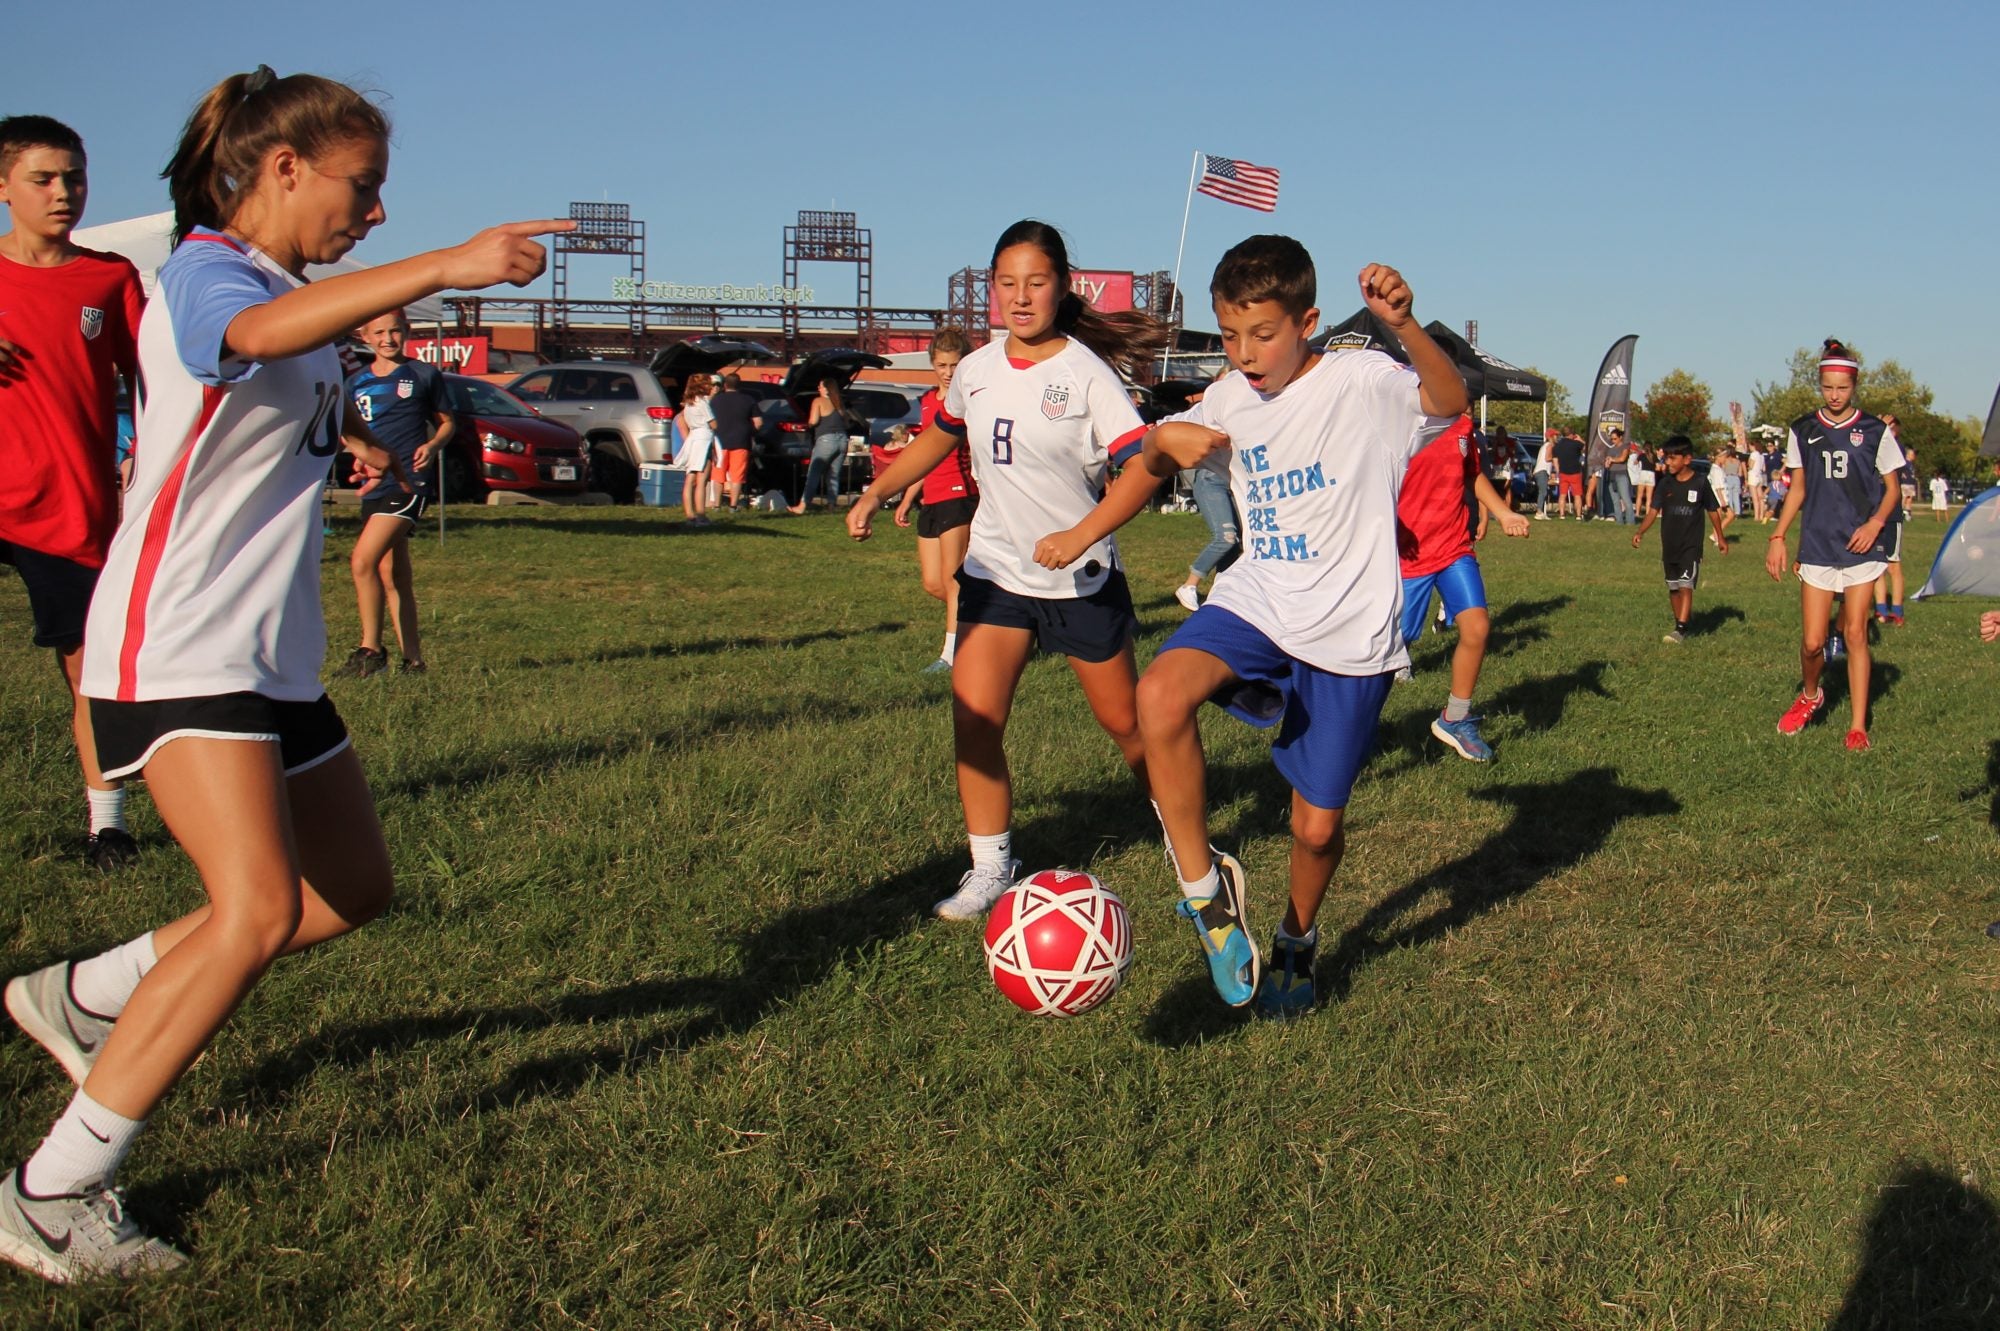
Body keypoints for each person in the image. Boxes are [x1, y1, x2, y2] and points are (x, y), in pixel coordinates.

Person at [0, 67, 562, 1284]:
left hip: (269, 658)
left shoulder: (286, 290)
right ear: (283, 168)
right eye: (362, 188)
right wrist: (443, 264)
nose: (372, 212)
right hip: (175, 644)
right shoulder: (213, 268)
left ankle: (86, 990)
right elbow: (234, 341)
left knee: (350, 886)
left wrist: (349, 443)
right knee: (253, 908)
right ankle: (52, 1189)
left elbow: (258, 392)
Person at [1135, 236, 1468, 1018]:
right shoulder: (1226, 397)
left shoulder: (1362, 380)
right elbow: (1152, 453)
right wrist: (1150, 448)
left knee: (1314, 830)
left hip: (1350, 631)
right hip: (1259, 600)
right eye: (1229, 335)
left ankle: (1296, 936)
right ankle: (1205, 893)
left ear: (1307, 321)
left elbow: (1449, 401)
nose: (1245, 354)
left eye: (1264, 334)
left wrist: (1407, 325)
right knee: (1159, 695)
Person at [846, 219, 1171, 921]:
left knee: (1127, 725)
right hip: (995, 575)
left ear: (1061, 287)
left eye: (1036, 282)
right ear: (992, 289)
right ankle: (991, 866)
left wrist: (1082, 532)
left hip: (1079, 580)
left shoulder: (1087, 373)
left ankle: (1181, 829)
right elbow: (940, 434)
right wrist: (876, 490)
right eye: (1007, 283)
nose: (1020, 297)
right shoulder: (975, 369)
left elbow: (1144, 466)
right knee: (975, 715)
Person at [0, 115, 147, 872]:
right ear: (2, 188)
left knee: (87, 668)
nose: (64, 192)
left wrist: (147, 464)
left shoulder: (109, 277)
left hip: (67, 507)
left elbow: (157, 381)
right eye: (43, 178)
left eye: (75, 177)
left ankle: (108, 826)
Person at [1764, 339, 1905, 751]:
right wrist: (1778, 536)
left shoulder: (1876, 431)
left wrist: (1876, 522)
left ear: (1854, 386)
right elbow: (1797, 489)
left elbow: (1892, 489)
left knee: (1857, 632)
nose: (1835, 395)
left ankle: (1858, 726)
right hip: (1818, 544)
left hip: (1861, 547)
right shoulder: (1803, 429)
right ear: (1820, 384)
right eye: (1828, 387)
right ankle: (1811, 695)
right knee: (1812, 642)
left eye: (1842, 388)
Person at [1397, 412, 1530, 760]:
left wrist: (1503, 513)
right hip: (1406, 554)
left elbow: (1472, 474)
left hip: (1454, 548)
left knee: (1477, 628)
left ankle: (1456, 718)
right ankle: (1354, 725)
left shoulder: (1461, 426)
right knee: (1395, 646)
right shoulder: (1397, 417)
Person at [333, 309, 451, 677]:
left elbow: (449, 423)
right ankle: (413, 662)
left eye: (395, 331)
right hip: (375, 484)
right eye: (379, 332)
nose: (388, 339)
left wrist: (432, 446)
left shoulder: (423, 375)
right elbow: (351, 434)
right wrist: (358, 456)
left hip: (409, 483)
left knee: (361, 561)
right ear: (364, 337)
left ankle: (371, 650)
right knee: (391, 574)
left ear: (407, 331)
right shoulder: (356, 382)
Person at [890, 328, 976, 673]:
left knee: (953, 578)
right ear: (932, 364)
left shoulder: (969, 402)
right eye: (941, 364)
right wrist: (907, 496)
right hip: (932, 496)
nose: (948, 372)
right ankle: (996, 618)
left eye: (955, 364)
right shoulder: (927, 401)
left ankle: (951, 654)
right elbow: (924, 455)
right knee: (933, 583)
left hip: (961, 494)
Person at [1630, 436, 1729, 642]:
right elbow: (1653, 511)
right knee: (1674, 588)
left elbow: (1713, 511)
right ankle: (1679, 624)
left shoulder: (1700, 483)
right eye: (1666, 458)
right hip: (1670, 545)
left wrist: (1720, 537)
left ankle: (1682, 629)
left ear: (1687, 459)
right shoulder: (1665, 483)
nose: (1668, 462)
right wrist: (1640, 532)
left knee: (1686, 585)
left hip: (1690, 545)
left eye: (1672, 458)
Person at [1172, 448, 1241, 614]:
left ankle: (1222, 592)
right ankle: (1188, 586)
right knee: (1226, 538)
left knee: (1237, 543)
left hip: (1233, 483)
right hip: (1211, 482)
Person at [789, 378, 850, 513]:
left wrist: (808, 425)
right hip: (842, 440)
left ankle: (803, 506)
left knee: (814, 474)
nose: (818, 388)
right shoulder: (839, 403)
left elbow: (814, 420)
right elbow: (846, 423)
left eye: (821, 386)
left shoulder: (818, 401)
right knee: (834, 474)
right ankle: (832, 505)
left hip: (826, 440)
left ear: (827, 389)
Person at [706, 373, 761, 511]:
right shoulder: (748, 400)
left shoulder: (716, 400)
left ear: (725, 385)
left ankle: (717, 505)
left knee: (718, 475)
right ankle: (733, 506)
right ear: (739, 385)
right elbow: (759, 422)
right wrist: (750, 431)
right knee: (737, 476)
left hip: (719, 442)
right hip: (741, 441)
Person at [676, 372, 716, 526]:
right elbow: (713, 424)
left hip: (693, 439)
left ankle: (690, 515)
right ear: (701, 386)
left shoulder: (688, 402)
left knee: (690, 478)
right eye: (708, 383)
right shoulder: (702, 403)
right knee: (702, 480)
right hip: (704, 439)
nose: (711, 386)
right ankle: (701, 514)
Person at [1602, 426, 1635, 524]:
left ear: (1620, 437)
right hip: (1611, 474)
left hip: (1621, 475)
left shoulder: (1625, 447)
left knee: (1625, 499)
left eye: (1615, 438)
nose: (1613, 441)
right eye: (1611, 439)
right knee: (1615, 500)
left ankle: (1630, 521)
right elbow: (1607, 459)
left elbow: (1622, 458)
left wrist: (1612, 459)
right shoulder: (1610, 449)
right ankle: (1619, 521)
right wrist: (1607, 462)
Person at [1553, 427, 1585, 518]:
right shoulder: (1576, 444)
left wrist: (1558, 471)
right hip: (1575, 472)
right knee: (1577, 495)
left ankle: (1562, 514)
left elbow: (1555, 460)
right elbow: (1587, 448)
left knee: (1562, 495)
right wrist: (1580, 439)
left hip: (1563, 472)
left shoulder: (1557, 446)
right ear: (1571, 434)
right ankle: (1578, 515)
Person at [1628, 438, 1656, 521]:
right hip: (1651, 474)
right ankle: (1647, 513)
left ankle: (1637, 512)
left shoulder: (1642, 456)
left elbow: (1635, 462)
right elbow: (1657, 466)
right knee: (1649, 497)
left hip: (1643, 474)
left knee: (1639, 496)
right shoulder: (1654, 456)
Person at [1532, 429, 1554, 519]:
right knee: (1543, 492)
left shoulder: (1544, 445)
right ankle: (1539, 512)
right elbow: (1547, 458)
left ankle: (1541, 511)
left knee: (1543, 491)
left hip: (1540, 471)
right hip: (1542, 471)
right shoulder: (1549, 445)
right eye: (1555, 435)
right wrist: (1555, 457)